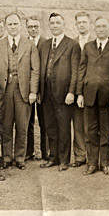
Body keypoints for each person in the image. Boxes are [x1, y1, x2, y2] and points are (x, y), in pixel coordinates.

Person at [0, 12, 39, 170]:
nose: (12, 27)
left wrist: (33, 91)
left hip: (22, 90)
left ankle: (20, 157)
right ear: (5, 26)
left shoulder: (29, 44)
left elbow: (35, 69)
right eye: (9, 24)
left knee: (22, 125)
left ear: (20, 26)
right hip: (4, 90)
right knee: (6, 125)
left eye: (15, 24)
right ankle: (6, 157)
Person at [76, 17, 109, 176]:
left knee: (105, 132)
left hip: (107, 97)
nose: (101, 29)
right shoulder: (88, 47)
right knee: (90, 132)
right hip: (89, 95)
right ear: (94, 29)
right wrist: (79, 94)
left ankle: (104, 163)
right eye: (98, 26)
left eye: (104, 26)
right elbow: (81, 71)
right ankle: (91, 164)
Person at [38, 13, 79, 171]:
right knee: (50, 126)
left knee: (63, 127)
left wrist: (71, 92)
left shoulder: (72, 45)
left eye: (58, 23)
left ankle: (64, 160)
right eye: (52, 23)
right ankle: (53, 157)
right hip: (47, 92)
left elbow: (75, 71)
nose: (55, 25)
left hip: (63, 93)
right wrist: (40, 91)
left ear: (63, 24)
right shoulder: (45, 44)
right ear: (49, 25)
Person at [70, 11, 93, 167]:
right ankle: (80, 156)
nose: (82, 25)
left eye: (85, 22)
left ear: (89, 24)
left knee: (92, 123)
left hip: (92, 87)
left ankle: (93, 155)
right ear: (76, 24)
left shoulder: (97, 41)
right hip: (77, 86)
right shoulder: (72, 43)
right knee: (77, 123)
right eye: (79, 22)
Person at [25, 15, 47, 162]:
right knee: (28, 121)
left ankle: (46, 152)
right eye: (30, 27)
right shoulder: (24, 43)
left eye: (36, 26)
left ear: (40, 27)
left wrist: (39, 90)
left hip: (44, 89)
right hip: (27, 89)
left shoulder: (46, 43)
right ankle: (28, 151)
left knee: (45, 121)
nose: (33, 29)